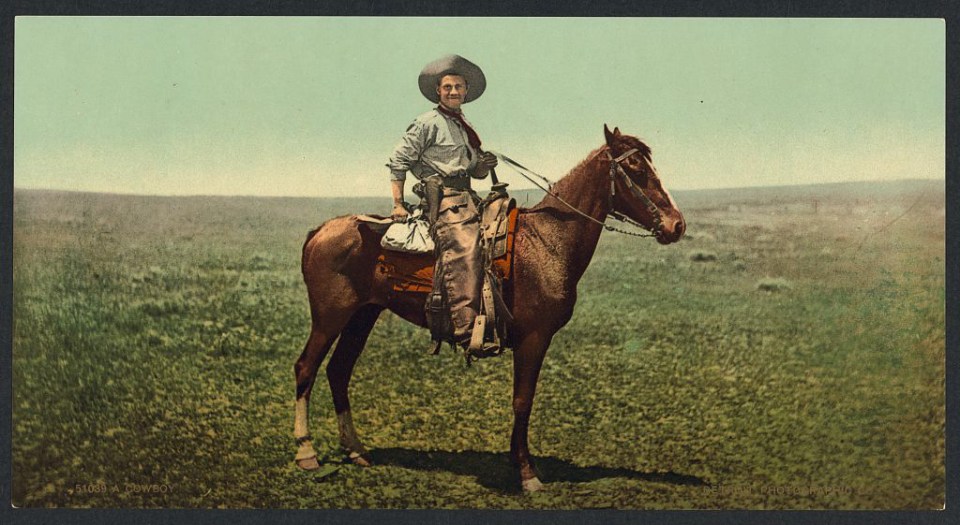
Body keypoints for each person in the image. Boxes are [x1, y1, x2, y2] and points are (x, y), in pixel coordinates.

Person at [386, 54, 498, 351]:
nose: (453, 92)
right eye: (447, 87)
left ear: (466, 91)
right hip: (445, 201)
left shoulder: (463, 124)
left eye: (458, 87)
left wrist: (484, 165)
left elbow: (473, 170)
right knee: (465, 246)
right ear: (438, 90)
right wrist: (398, 204)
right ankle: (465, 329)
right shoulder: (426, 123)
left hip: (468, 197)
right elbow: (398, 161)